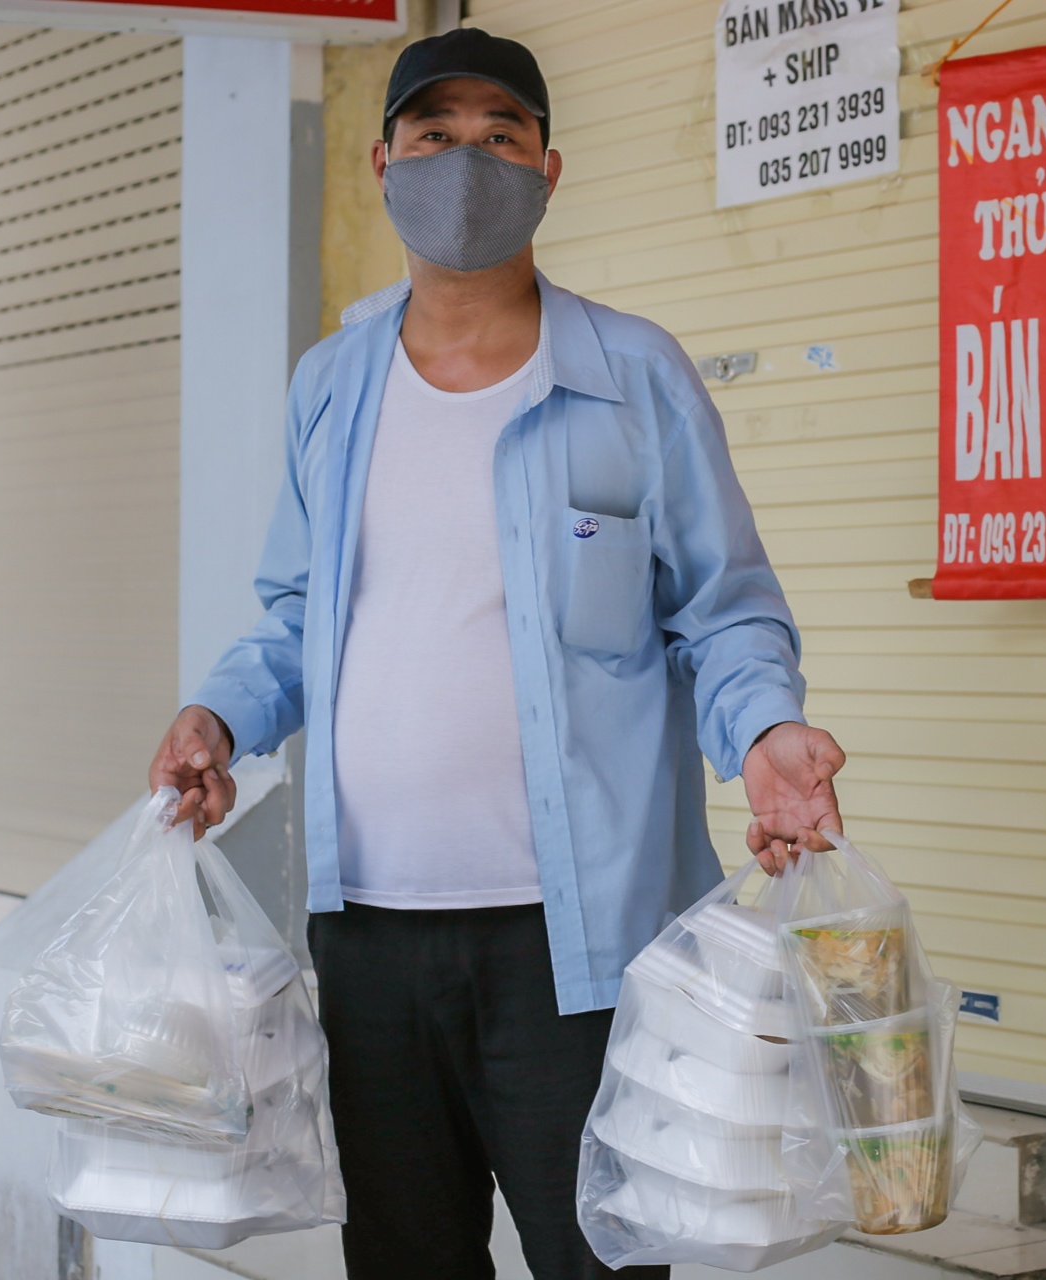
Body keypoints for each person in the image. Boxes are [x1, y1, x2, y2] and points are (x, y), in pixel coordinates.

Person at [145, 29, 844, 1280]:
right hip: (368, 937)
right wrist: (219, 715)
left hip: (576, 950)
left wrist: (765, 733)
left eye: (498, 137)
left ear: (548, 167)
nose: (465, 161)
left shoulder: (632, 375)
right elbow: (296, 611)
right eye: (434, 137)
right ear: (383, 162)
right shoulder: (332, 386)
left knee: (605, 1256)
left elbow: (724, 608)